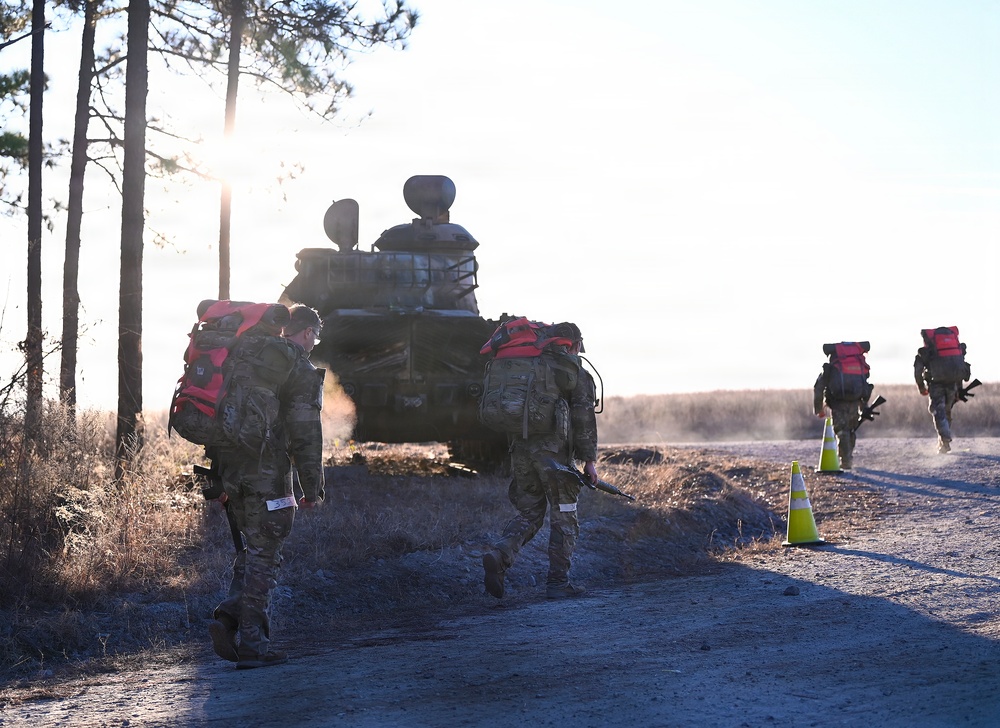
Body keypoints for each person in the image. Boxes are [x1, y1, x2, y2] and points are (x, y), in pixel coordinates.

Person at [208, 304, 326, 669]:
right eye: (316, 337)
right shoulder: (298, 365)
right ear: (306, 332)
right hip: (268, 473)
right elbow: (306, 432)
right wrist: (312, 487)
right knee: (266, 553)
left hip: (230, 469)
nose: (315, 343)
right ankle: (253, 647)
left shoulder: (243, 353)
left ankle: (229, 618)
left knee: (252, 550)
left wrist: (216, 479)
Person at [481, 322, 600, 600]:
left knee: (530, 514)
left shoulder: (529, 369)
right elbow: (584, 420)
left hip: (521, 451)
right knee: (565, 517)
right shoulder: (573, 372)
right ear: (573, 344)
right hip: (555, 458)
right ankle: (558, 583)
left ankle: (499, 556)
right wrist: (589, 462)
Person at [812, 342, 873, 470]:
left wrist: (819, 409)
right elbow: (866, 385)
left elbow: (818, 387)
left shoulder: (831, 368)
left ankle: (845, 461)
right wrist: (864, 406)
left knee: (841, 430)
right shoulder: (858, 365)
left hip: (838, 403)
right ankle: (848, 457)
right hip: (855, 401)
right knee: (850, 429)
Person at [914, 326, 972, 454]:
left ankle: (945, 440)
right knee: (946, 411)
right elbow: (959, 368)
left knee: (937, 410)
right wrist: (959, 389)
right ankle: (942, 444)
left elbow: (918, 370)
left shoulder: (926, 351)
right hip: (953, 383)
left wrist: (921, 388)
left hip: (936, 384)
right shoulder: (954, 350)